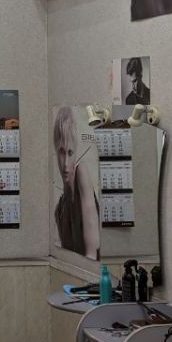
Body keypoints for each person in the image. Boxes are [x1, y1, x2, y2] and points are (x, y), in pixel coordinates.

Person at [52, 106, 100, 259]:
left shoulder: (81, 173)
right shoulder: (60, 210)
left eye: (70, 152)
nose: (66, 163)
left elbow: (92, 254)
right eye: (61, 152)